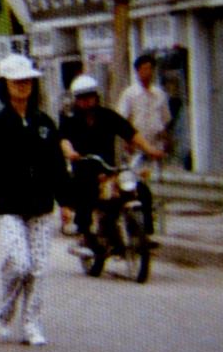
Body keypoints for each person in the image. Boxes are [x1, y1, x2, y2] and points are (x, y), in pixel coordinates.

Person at [0, 54, 68, 346]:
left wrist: (66, 202)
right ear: (5, 85)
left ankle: (31, 323)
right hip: (10, 207)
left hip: (41, 206)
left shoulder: (45, 123)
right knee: (20, 264)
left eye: (27, 80)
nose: (23, 85)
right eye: (17, 81)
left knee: (39, 268)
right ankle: (5, 313)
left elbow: (57, 165)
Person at [60, 74, 165, 255]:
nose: (87, 101)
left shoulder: (107, 116)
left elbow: (130, 133)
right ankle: (85, 235)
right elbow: (63, 140)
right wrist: (70, 152)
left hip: (109, 169)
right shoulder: (70, 120)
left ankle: (145, 234)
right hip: (85, 169)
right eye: (82, 98)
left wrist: (150, 149)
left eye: (90, 96)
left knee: (140, 190)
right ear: (76, 100)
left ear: (96, 96)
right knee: (86, 194)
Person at [116, 55, 172, 158]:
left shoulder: (159, 94)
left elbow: (165, 119)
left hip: (156, 144)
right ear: (138, 72)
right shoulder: (129, 94)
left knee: (156, 173)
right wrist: (127, 141)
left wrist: (166, 139)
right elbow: (122, 120)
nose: (148, 72)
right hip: (137, 144)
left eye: (151, 69)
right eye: (144, 69)